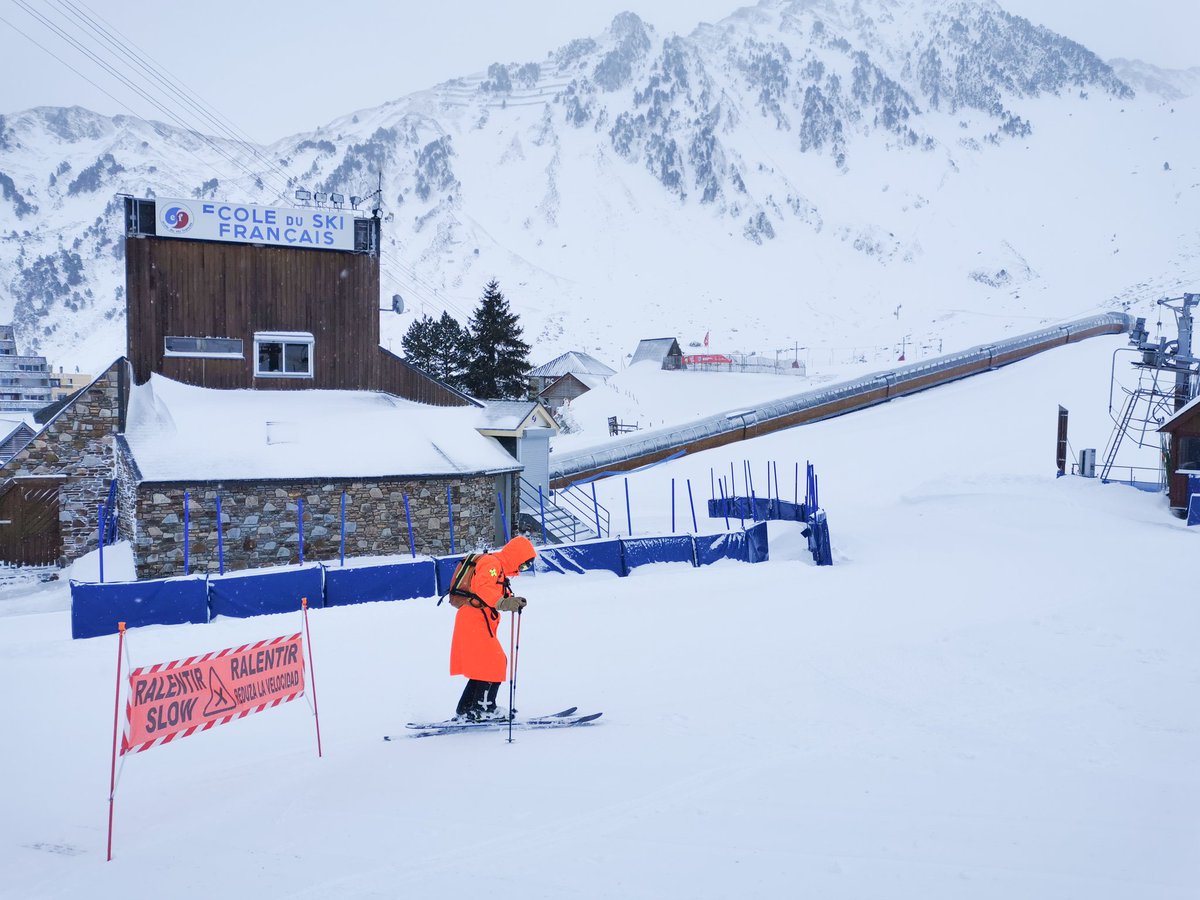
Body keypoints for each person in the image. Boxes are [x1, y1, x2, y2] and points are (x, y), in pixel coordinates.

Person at [448, 535, 534, 721]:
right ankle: (483, 709)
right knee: (494, 662)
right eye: (524, 564)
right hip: (474, 619)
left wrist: (511, 600)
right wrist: (503, 602)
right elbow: (484, 588)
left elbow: (493, 590)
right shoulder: (492, 564)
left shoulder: (498, 567)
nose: (522, 569)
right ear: (517, 556)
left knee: (484, 664)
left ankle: (466, 709)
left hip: (476, 619)